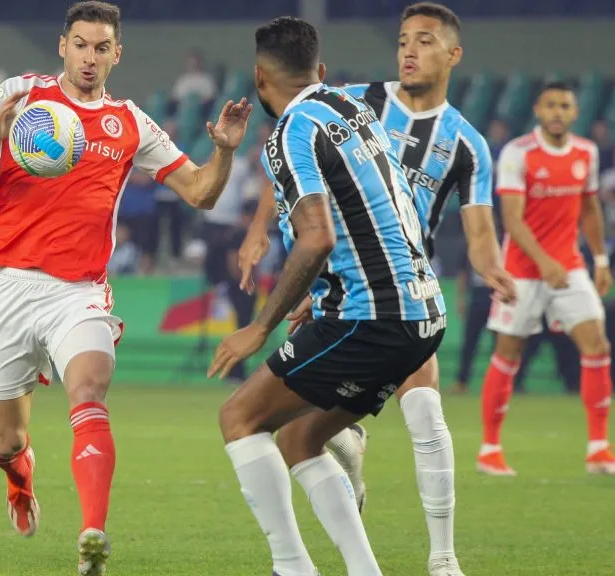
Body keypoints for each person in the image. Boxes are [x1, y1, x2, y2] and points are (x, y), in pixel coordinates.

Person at [0, 2, 250, 573]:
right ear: (63, 45)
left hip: (80, 292)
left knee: (88, 391)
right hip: (10, 285)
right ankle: (20, 479)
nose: (89, 57)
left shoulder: (130, 121)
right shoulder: (21, 95)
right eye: (80, 44)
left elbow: (201, 192)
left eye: (101, 47)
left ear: (117, 54)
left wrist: (225, 151)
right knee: (7, 440)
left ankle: (91, 537)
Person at [236, 5, 515, 575]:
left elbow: (480, 230)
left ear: (453, 55)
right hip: (368, 287)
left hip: (397, 286)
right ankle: (359, 497)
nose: (409, 51)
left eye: (425, 41)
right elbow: (293, 169)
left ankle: (442, 558)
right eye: (402, 40)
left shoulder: (466, 143)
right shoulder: (353, 101)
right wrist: (259, 227)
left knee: (422, 412)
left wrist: (493, 268)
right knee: (304, 434)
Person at [209, 16, 446, 576]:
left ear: (259, 79)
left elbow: (318, 236)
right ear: (319, 71)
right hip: (423, 312)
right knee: (298, 438)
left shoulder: (291, 132)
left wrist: (258, 328)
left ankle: (292, 567)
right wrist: (325, 290)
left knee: (239, 418)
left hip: (371, 316)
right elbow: (389, 203)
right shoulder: (352, 110)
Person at [479, 81, 615, 476]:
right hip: (520, 272)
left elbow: (588, 209)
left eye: (566, 106)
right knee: (508, 354)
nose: (558, 112)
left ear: (575, 112)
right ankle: (489, 449)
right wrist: (544, 262)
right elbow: (512, 219)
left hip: (569, 267)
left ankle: (598, 448)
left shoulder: (585, 152)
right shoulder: (518, 153)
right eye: (551, 105)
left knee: (597, 346)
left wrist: (601, 260)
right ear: (538, 110)